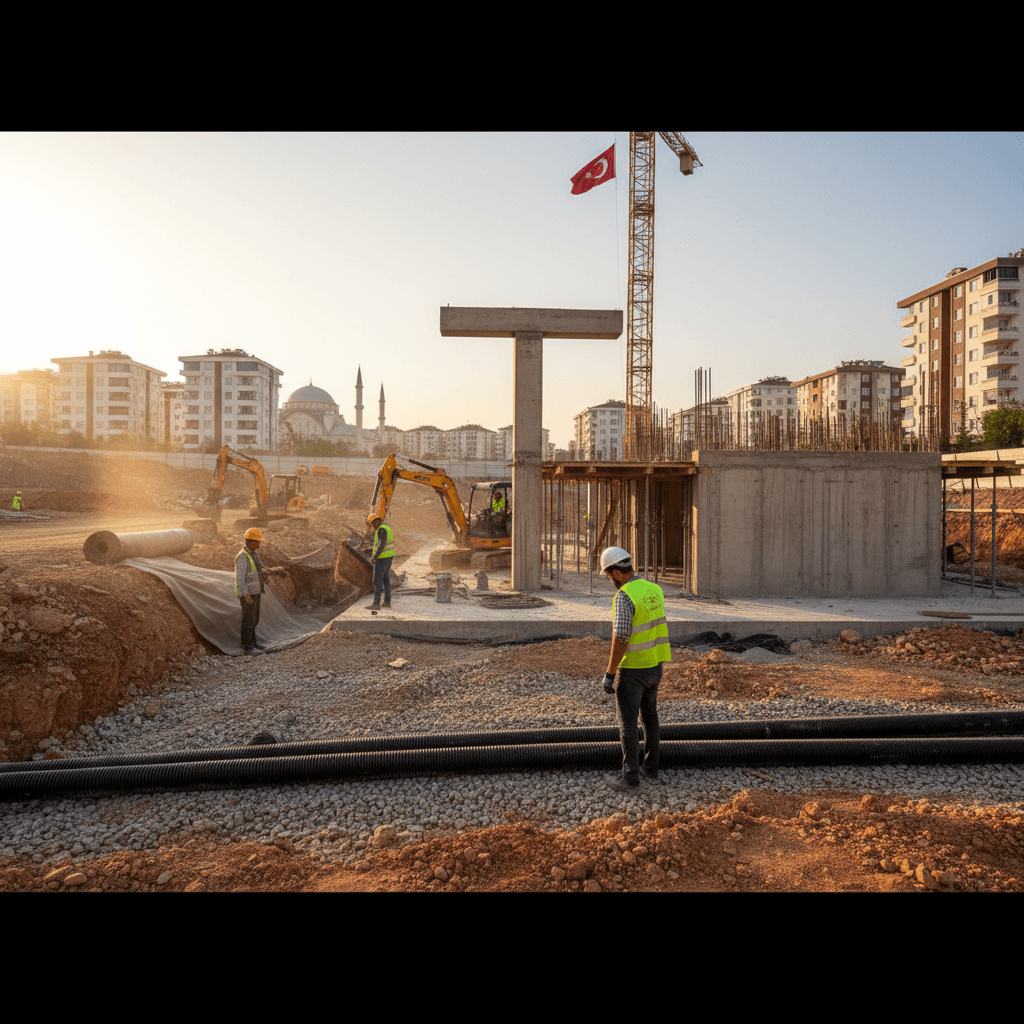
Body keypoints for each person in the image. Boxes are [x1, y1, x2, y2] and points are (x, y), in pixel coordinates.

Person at [598, 546, 671, 792]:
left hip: (634, 671)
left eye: (609, 576)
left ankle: (630, 777)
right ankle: (651, 769)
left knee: (628, 723)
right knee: (650, 719)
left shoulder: (625, 596)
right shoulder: (654, 590)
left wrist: (610, 674)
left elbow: (620, 638)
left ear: (617, 573)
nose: (611, 581)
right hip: (655, 666)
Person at [235, 526, 266, 654]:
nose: (258, 544)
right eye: (256, 542)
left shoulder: (253, 554)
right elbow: (240, 578)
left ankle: (253, 642)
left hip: (256, 592)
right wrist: (246, 595)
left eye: (259, 542)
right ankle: (247, 647)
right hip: (248, 594)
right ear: (248, 542)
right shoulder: (242, 556)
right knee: (248, 620)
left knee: (255, 619)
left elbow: (257, 570)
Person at [367, 513, 395, 611]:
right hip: (389, 557)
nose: (373, 526)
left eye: (373, 523)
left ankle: (376, 603)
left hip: (382, 558)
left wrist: (374, 557)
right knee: (386, 579)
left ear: (376, 521)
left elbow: (381, 545)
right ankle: (387, 602)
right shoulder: (386, 528)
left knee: (377, 580)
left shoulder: (381, 530)